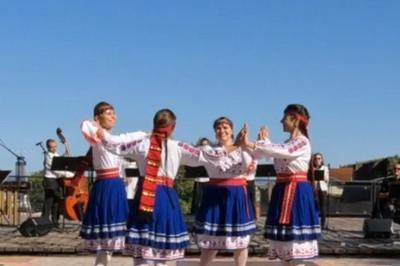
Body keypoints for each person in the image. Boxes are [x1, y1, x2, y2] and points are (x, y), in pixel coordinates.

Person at [100, 109, 231, 266]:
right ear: (173, 127)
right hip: (166, 198)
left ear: (154, 125)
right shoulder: (178, 147)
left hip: (145, 196)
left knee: (143, 247)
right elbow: (206, 155)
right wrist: (234, 146)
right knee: (162, 252)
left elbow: (115, 146)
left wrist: (99, 132)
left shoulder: (142, 144)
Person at [237, 104, 320, 265]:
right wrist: (246, 143)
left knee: (295, 246)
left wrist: (256, 143)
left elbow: (284, 150)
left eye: (284, 117)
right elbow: (267, 152)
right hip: (283, 190)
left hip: (296, 192)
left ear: (295, 120)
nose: (281, 121)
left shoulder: (302, 142)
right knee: (285, 246)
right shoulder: (287, 142)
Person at [79, 101, 146, 266]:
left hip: (116, 185)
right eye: (108, 113)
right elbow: (84, 124)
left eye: (113, 113)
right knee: (106, 237)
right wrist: (96, 126)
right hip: (106, 186)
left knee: (110, 239)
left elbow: (125, 139)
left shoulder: (113, 140)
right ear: (98, 117)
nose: (113, 116)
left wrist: (145, 134)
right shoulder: (97, 137)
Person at [194, 116, 257, 266]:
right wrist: (238, 145)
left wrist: (245, 146)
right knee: (211, 240)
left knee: (240, 241)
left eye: (225, 128)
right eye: (218, 128)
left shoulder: (244, 150)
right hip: (214, 195)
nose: (222, 130)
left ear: (232, 130)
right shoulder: (210, 150)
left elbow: (250, 171)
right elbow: (213, 155)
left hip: (236, 196)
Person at [41, 138, 73, 226]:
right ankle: (44, 223)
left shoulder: (56, 154)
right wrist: (69, 174)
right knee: (49, 202)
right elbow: (56, 170)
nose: (54, 148)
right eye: (52, 147)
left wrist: (66, 143)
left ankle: (55, 222)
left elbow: (65, 156)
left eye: (55, 146)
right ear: (48, 147)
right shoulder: (48, 156)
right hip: (49, 181)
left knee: (56, 202)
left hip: (55, 181)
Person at [190, 137, 211, 215]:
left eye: (206, 144)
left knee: (205, 196)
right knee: (197, 196)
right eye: (203, 144)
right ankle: (195, 210)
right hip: (199, 177)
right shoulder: (197, 151)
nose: (204, 146)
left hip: (207, 178)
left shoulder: (210, 150)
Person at [310, 153, 330, 229]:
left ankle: (323, 224)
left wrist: (322, 175)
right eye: (316, 159)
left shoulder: (325, 168)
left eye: (319, 158)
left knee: (323, 207)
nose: (317, 160)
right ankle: (314, 223)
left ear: (322, 160)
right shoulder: (312, 168)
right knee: (315, 206)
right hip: (314, 189)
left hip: (323, 189)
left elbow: (327, 179)